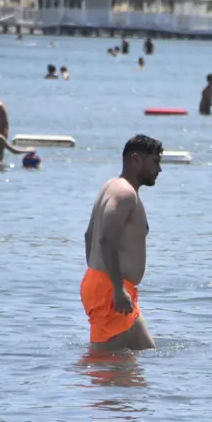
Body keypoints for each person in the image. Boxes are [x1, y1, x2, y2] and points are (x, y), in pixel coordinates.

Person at [81, 135, 163, 351]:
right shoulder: (124, 193)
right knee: (108, 369)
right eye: (155, 161)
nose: (160, 169)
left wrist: (98, 277)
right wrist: (114, 288)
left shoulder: (112, 187)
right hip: (113, 290)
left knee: (146, 354)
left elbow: (89, 235)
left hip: (113, 287)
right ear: (135, 160)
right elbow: (105, 238)